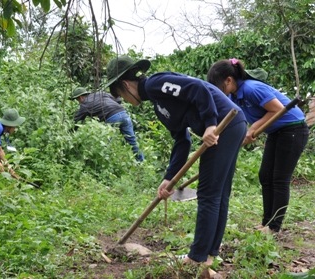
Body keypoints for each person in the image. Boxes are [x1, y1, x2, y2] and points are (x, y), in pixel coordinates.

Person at [105, 55, 247, 266]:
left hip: (224, 124)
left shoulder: (154, 84)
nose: (125, 101)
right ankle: (209, 254)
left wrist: (209, 123)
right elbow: (182, 140)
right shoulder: (159, 105)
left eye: (120, 95)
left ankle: (197, 258)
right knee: (218, 192)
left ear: (126, 84)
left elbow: (198, 88)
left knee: (209, 194)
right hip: (232, 125)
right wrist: (168, 178)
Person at [207, 58, 309, 234]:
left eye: (218, 86)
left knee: (279, 178)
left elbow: (276, 110)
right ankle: (266, 223)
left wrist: (253, 129)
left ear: (229, 80)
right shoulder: (234, 95)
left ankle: (274, 227)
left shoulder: (251, 88)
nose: (219, 91)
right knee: (265, 175)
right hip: (276, 132)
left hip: (293, 129)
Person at [70, 86, 144, 162]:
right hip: (124, 114)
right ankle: (141, 162)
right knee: (132, 141)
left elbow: (77, 120)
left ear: (81, 97)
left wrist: (71, 132)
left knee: (106, 143)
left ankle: (104, 164)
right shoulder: (101, 93)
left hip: (112, 118)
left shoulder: (84, 105)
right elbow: (118, 99)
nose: (79, 101)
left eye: (77, 99)